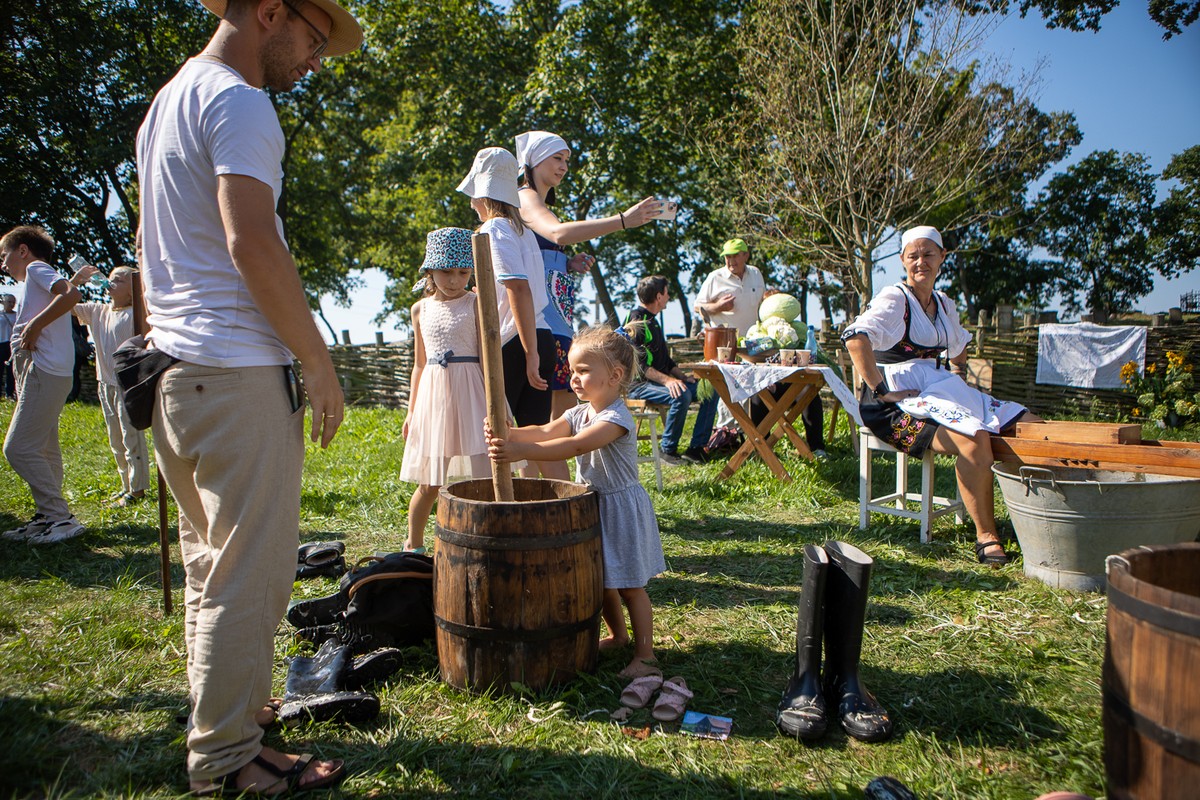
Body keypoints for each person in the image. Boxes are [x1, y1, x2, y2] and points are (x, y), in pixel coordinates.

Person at [135, 0, 359, 793]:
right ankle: (228, 760)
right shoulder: (240, 101)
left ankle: (231, 718)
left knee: (212, 569)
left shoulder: (169, 102)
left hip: (176, 374)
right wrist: (317, 362)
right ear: (270, 12)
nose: (316, 61)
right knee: (249, 577)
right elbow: (252, 240)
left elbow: (156, 248)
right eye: (315, 39)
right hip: (233, 374)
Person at [841, 225, 1039, 566]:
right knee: (974, 439)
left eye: (928, 254)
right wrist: (882, 390)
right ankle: (986, 536)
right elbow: (854, 337)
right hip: (893, 407)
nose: (921, 262)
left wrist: (959, 374)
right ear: (903, 260)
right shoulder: (895, 299)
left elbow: (959, 345)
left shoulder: (945, 304)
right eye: (913, 256)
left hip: (937, 389)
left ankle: (1038, 517)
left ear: (942, 257)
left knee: (1031, 425)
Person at [486, 325, 665, 679]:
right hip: (594, 507)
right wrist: (506, 432)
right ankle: (618, 636)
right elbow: (545, 430)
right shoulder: (580, 413)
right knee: (603, 579)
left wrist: (520, 451)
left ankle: (646, 655)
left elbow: (575, 446)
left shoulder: (615, 418)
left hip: (621, 509)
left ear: (614, 376)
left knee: (630, 586)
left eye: (583, 370)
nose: (574, 378)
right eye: (572, 370)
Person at [514, 130, 663, 431]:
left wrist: (566, 263)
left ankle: (560, 462)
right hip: (541, 321)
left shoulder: (540, 204)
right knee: (550, 416)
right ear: (534, 161)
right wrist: (623, 220)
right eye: (557, 158)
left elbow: (537, 254)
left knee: (563, 411)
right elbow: (558, 233)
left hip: (555, 320)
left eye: (567, 160)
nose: (564, 166)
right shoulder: (525, 197)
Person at [458, 146, 561, 479]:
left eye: (472, 195)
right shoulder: (524, 231)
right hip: (539, 335)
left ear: (482, 194)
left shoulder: (494, 229)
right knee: (534, 439)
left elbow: (518, 287)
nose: (470, 203)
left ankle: (511, 501)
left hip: (516, 341)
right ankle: (554, 505)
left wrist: (530, 353)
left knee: (502, 434)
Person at [399, 228, 491, 554]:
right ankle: (413, 545)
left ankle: (485, 541)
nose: (454, 280)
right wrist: (411, 412)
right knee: (431, 480)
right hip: (434, 398)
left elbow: (488, 356)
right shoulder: (420, 309)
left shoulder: (476, 302)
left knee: (483, 476)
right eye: (446, 271)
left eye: (463, 272)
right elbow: (419, 364)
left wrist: (498, 405)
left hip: (473, 392)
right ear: (430, 270)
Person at [0, 225, 85, 544]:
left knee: (18, 448)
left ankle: (60, 517)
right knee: (45, 449)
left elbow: (72, 294)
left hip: (44, 370)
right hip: (47, 371)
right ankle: (47, 516)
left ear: (22, 250)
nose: (3, 264)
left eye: (4, 255)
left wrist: (34, 326)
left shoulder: (36, 268)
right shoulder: (35, 280)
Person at [70, 265, 149, 507]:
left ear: (133, 289)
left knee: (130, 436)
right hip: (104, 382)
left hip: (128, 384)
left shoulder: (138, 314)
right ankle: (125, 485)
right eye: (110, 278)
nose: (111, 283)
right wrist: (76, 281)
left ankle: (137, 489)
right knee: (115, 439)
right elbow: (66, 304)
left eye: (119, 280)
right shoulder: (98, 311)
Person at [626, 275, 718, 464]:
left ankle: (696, 449)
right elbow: (638, 366)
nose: (669, 297)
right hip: (638, 386)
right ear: (659, 296)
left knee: (709, 390)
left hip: (657, 383)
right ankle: (667, 451)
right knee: (681, 395)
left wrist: (683, 377)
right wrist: (669, 381)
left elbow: (666, 362)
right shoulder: (636, 320)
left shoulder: (654, 321)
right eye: (667, 293)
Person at [695, 238, 767, 429]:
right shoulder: (715, 277)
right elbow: (698, 307)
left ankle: (746, 432)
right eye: (727, 257)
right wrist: (718, 306)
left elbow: (762, 304)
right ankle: (726, 433)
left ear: (746, 255)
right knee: (729, 389)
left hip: (752, 343)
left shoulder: (756, 274)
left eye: (735, 256)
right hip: (724, 344)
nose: (731, 261)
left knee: (751, 388)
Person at [0, 294, 16, 399]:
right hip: (1, 344)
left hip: (12, 344)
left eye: (13, 302)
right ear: (3, 302)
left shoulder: (17, 315)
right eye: (9, 302)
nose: (11, 304)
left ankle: (9, 393)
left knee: (12, 371)